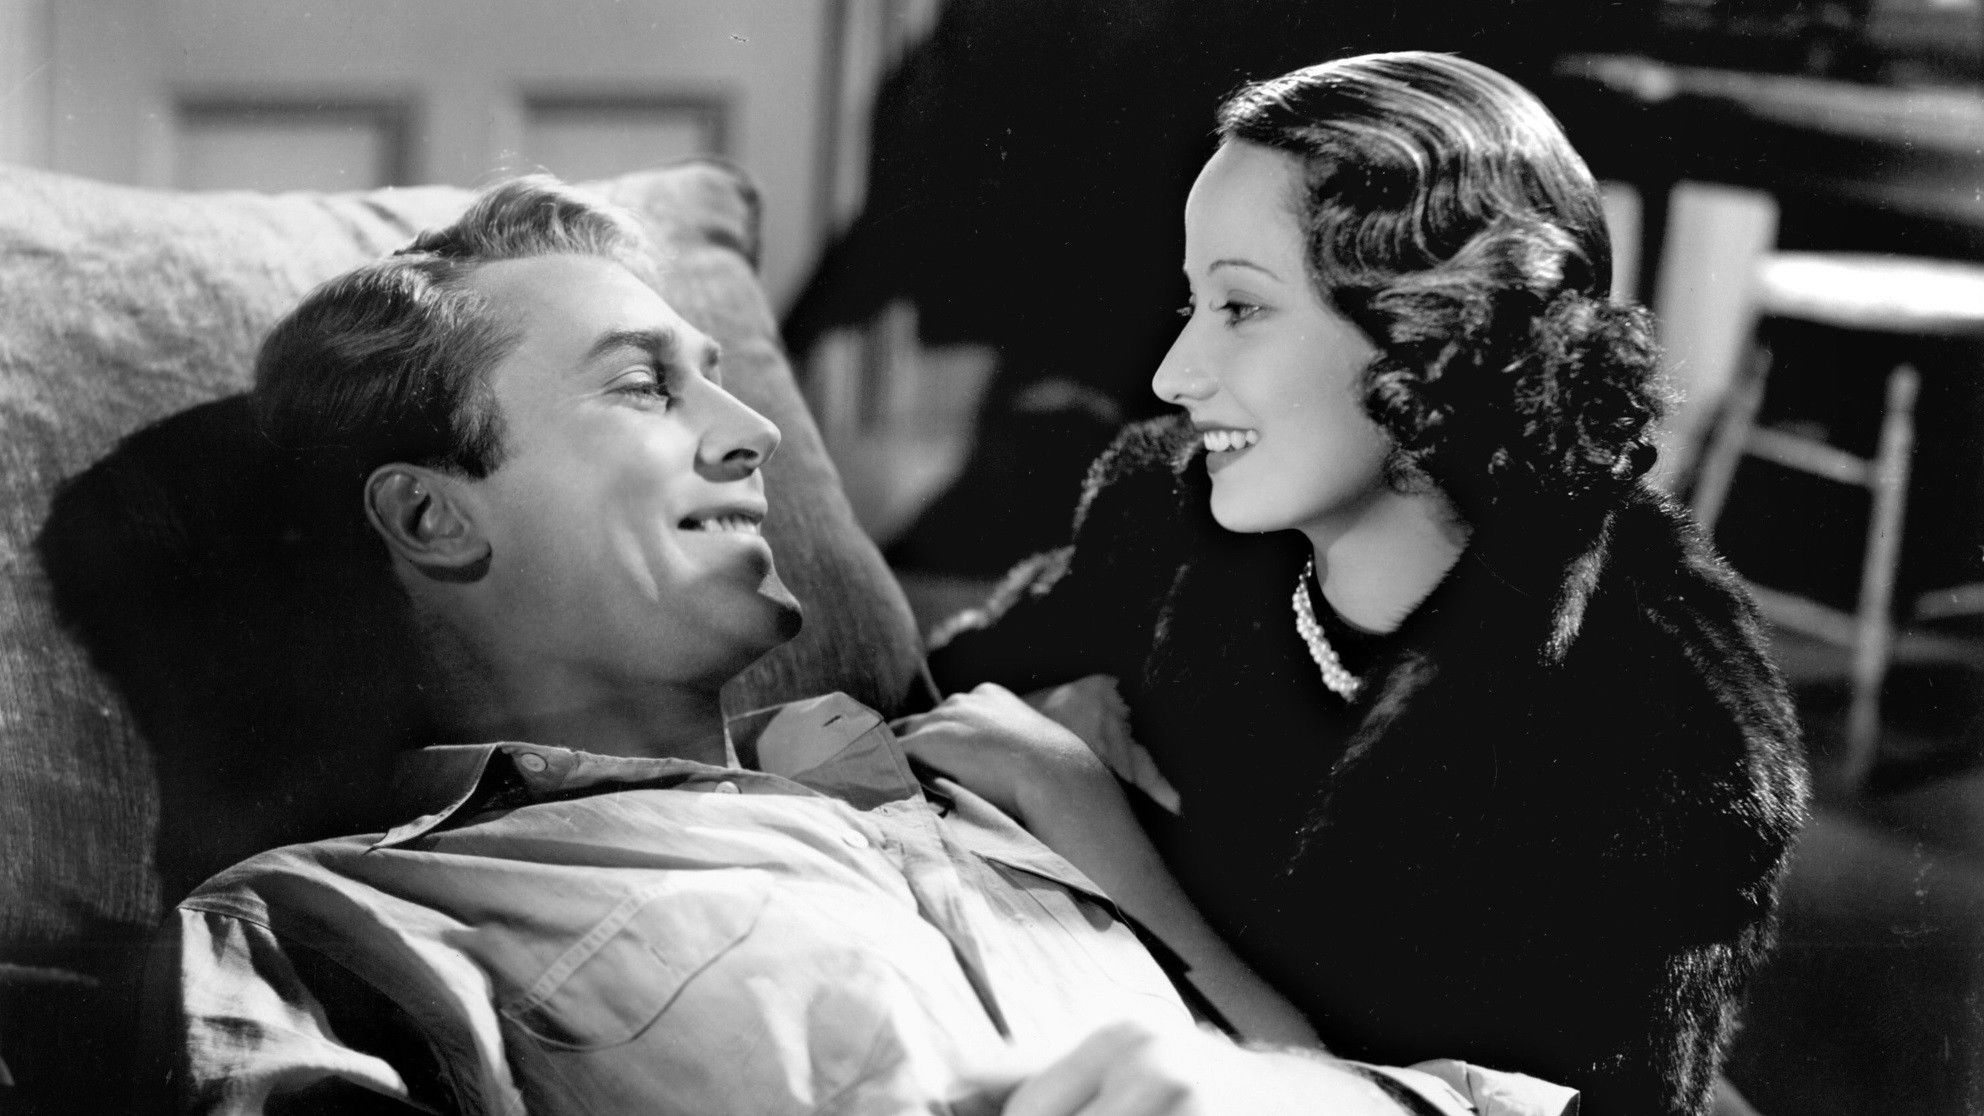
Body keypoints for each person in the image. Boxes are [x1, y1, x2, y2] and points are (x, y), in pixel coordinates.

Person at [142, 175, 1575, 1116]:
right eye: (642, 389)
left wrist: (1195, 985)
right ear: (432, 516)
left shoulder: (992, 802)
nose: (756, 434)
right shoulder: (337, 920)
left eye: (718, 383)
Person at [924, 52, 1810, 1116]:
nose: (1173, 374)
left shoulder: (1664, 724)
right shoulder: (1169, 514)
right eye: (1193, 302)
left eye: (1241, 307)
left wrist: (1095, 819)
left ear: (1434, 341)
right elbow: (957, 694)